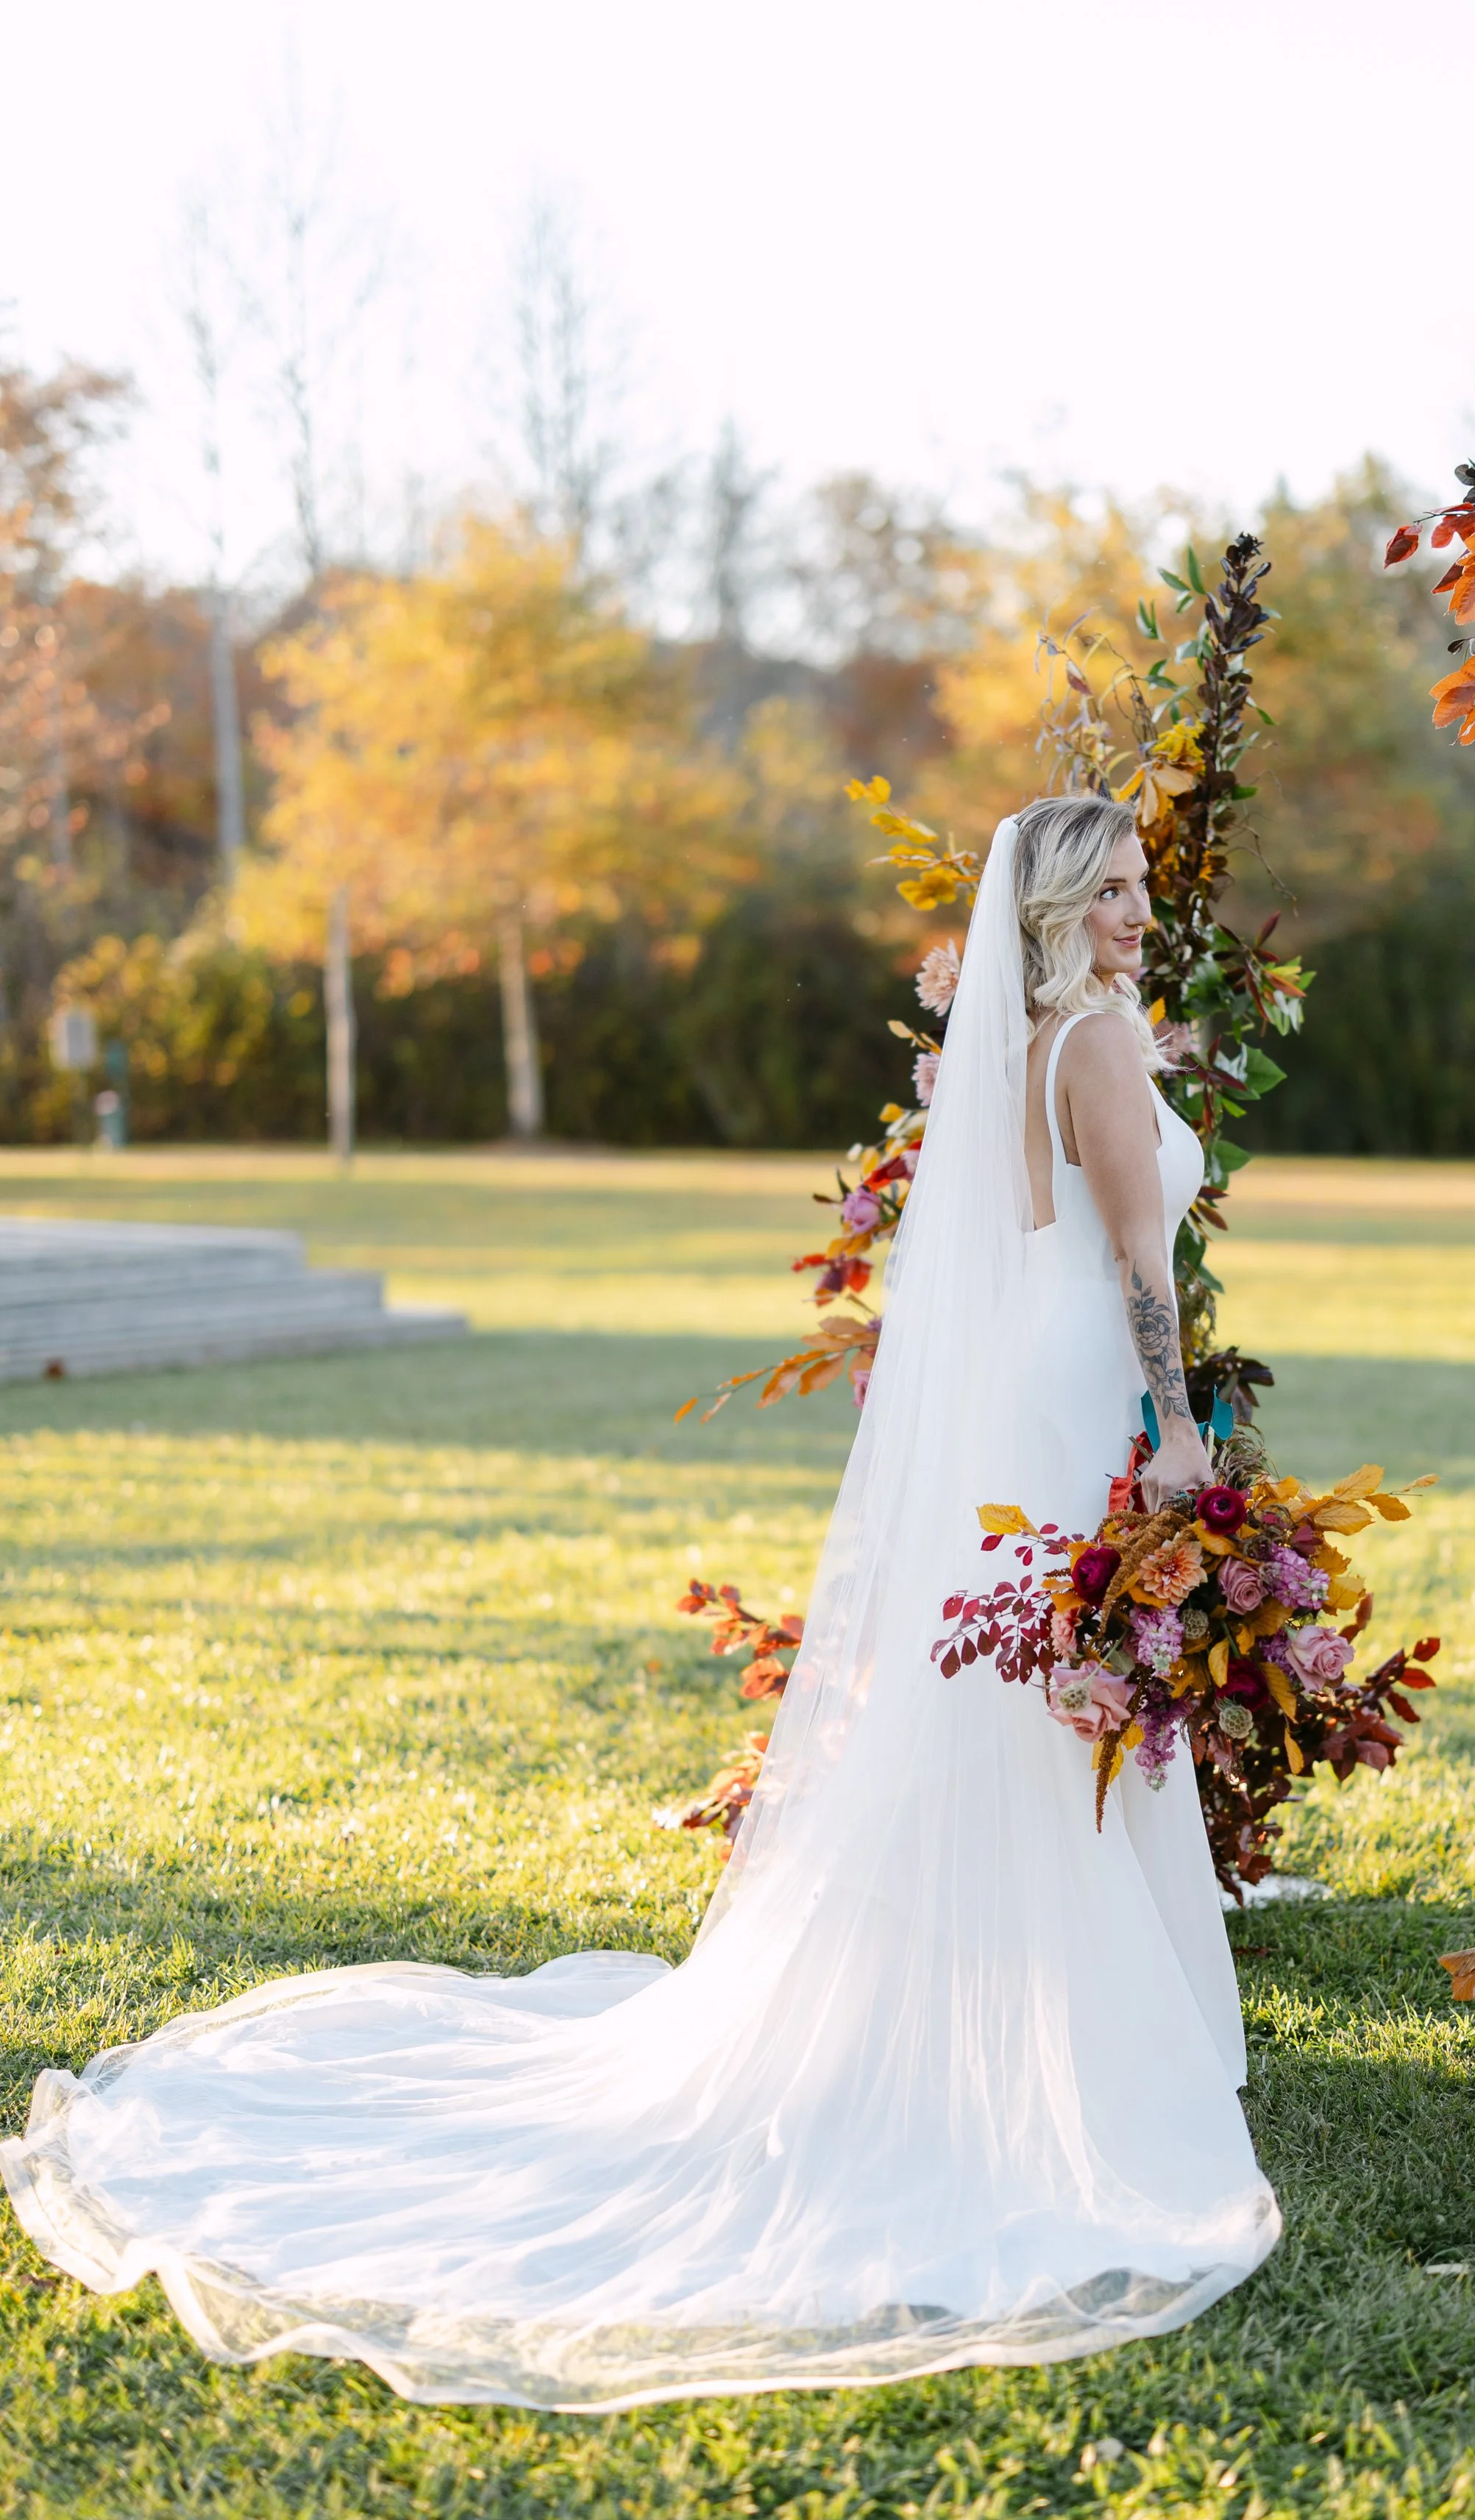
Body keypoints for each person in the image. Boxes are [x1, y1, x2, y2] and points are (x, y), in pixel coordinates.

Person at [1, 797, 1280, 2413]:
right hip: (1086, 1376)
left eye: (1143, 887)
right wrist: (1175, 1428)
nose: (1137, 912)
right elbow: (1142, 1264)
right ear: (1056, 907)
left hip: (1036, 1385)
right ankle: (1062, 2049)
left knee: (1026, 1693)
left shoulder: (1034, 1040)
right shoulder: (1090, 1041)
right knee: (1056, 1693)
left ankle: (1007, 2012)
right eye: (1113, 890)